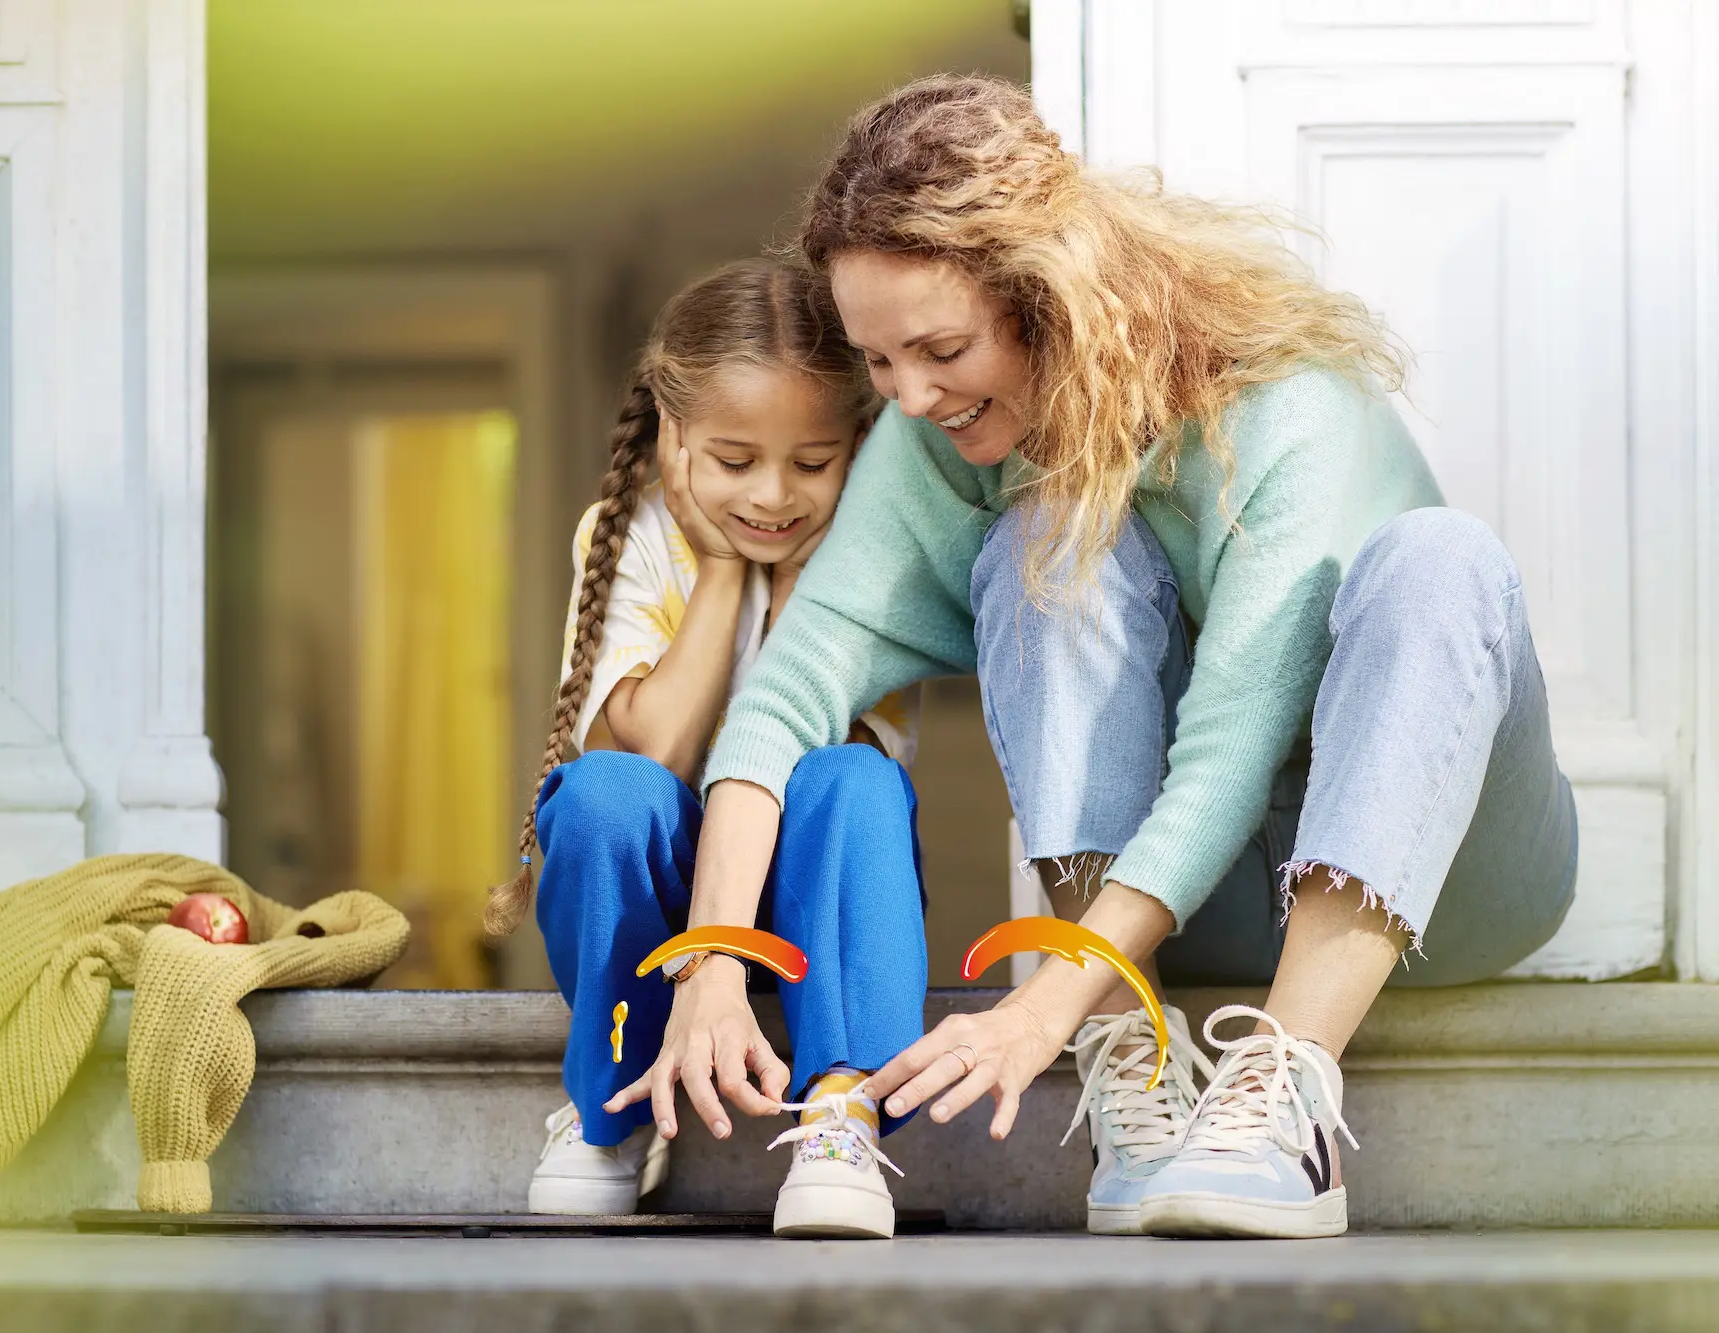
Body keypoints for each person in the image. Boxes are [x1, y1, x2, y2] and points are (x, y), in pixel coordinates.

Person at [668, 76, 1578, 1240]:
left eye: (939, 348)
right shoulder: (931, 434)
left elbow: (1222, 760)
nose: (907, 395)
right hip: (1193, 911)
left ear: (1048, 298)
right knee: (1047, 539)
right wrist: (708, 964)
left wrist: (1040, 1005)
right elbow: (786, 693)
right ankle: (1131, 1054)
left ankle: (1282, 1096)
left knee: (1438, 559)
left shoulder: (1276, 405)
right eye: (877, 360)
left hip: (1449, 883)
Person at [485, 258, 927, 1238]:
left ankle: (841, 1107)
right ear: (674, 439)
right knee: (600, 792)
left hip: (817, 902)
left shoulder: (879, 545)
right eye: (734, 461)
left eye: (811, 464)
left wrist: (793, 566)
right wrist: (722, 570)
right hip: (666, 910)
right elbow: (655, 746)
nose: (773, 495)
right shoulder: (628, 533)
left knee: (850, 774)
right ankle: (614, 1110)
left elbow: (807, 734)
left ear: (858, 443)